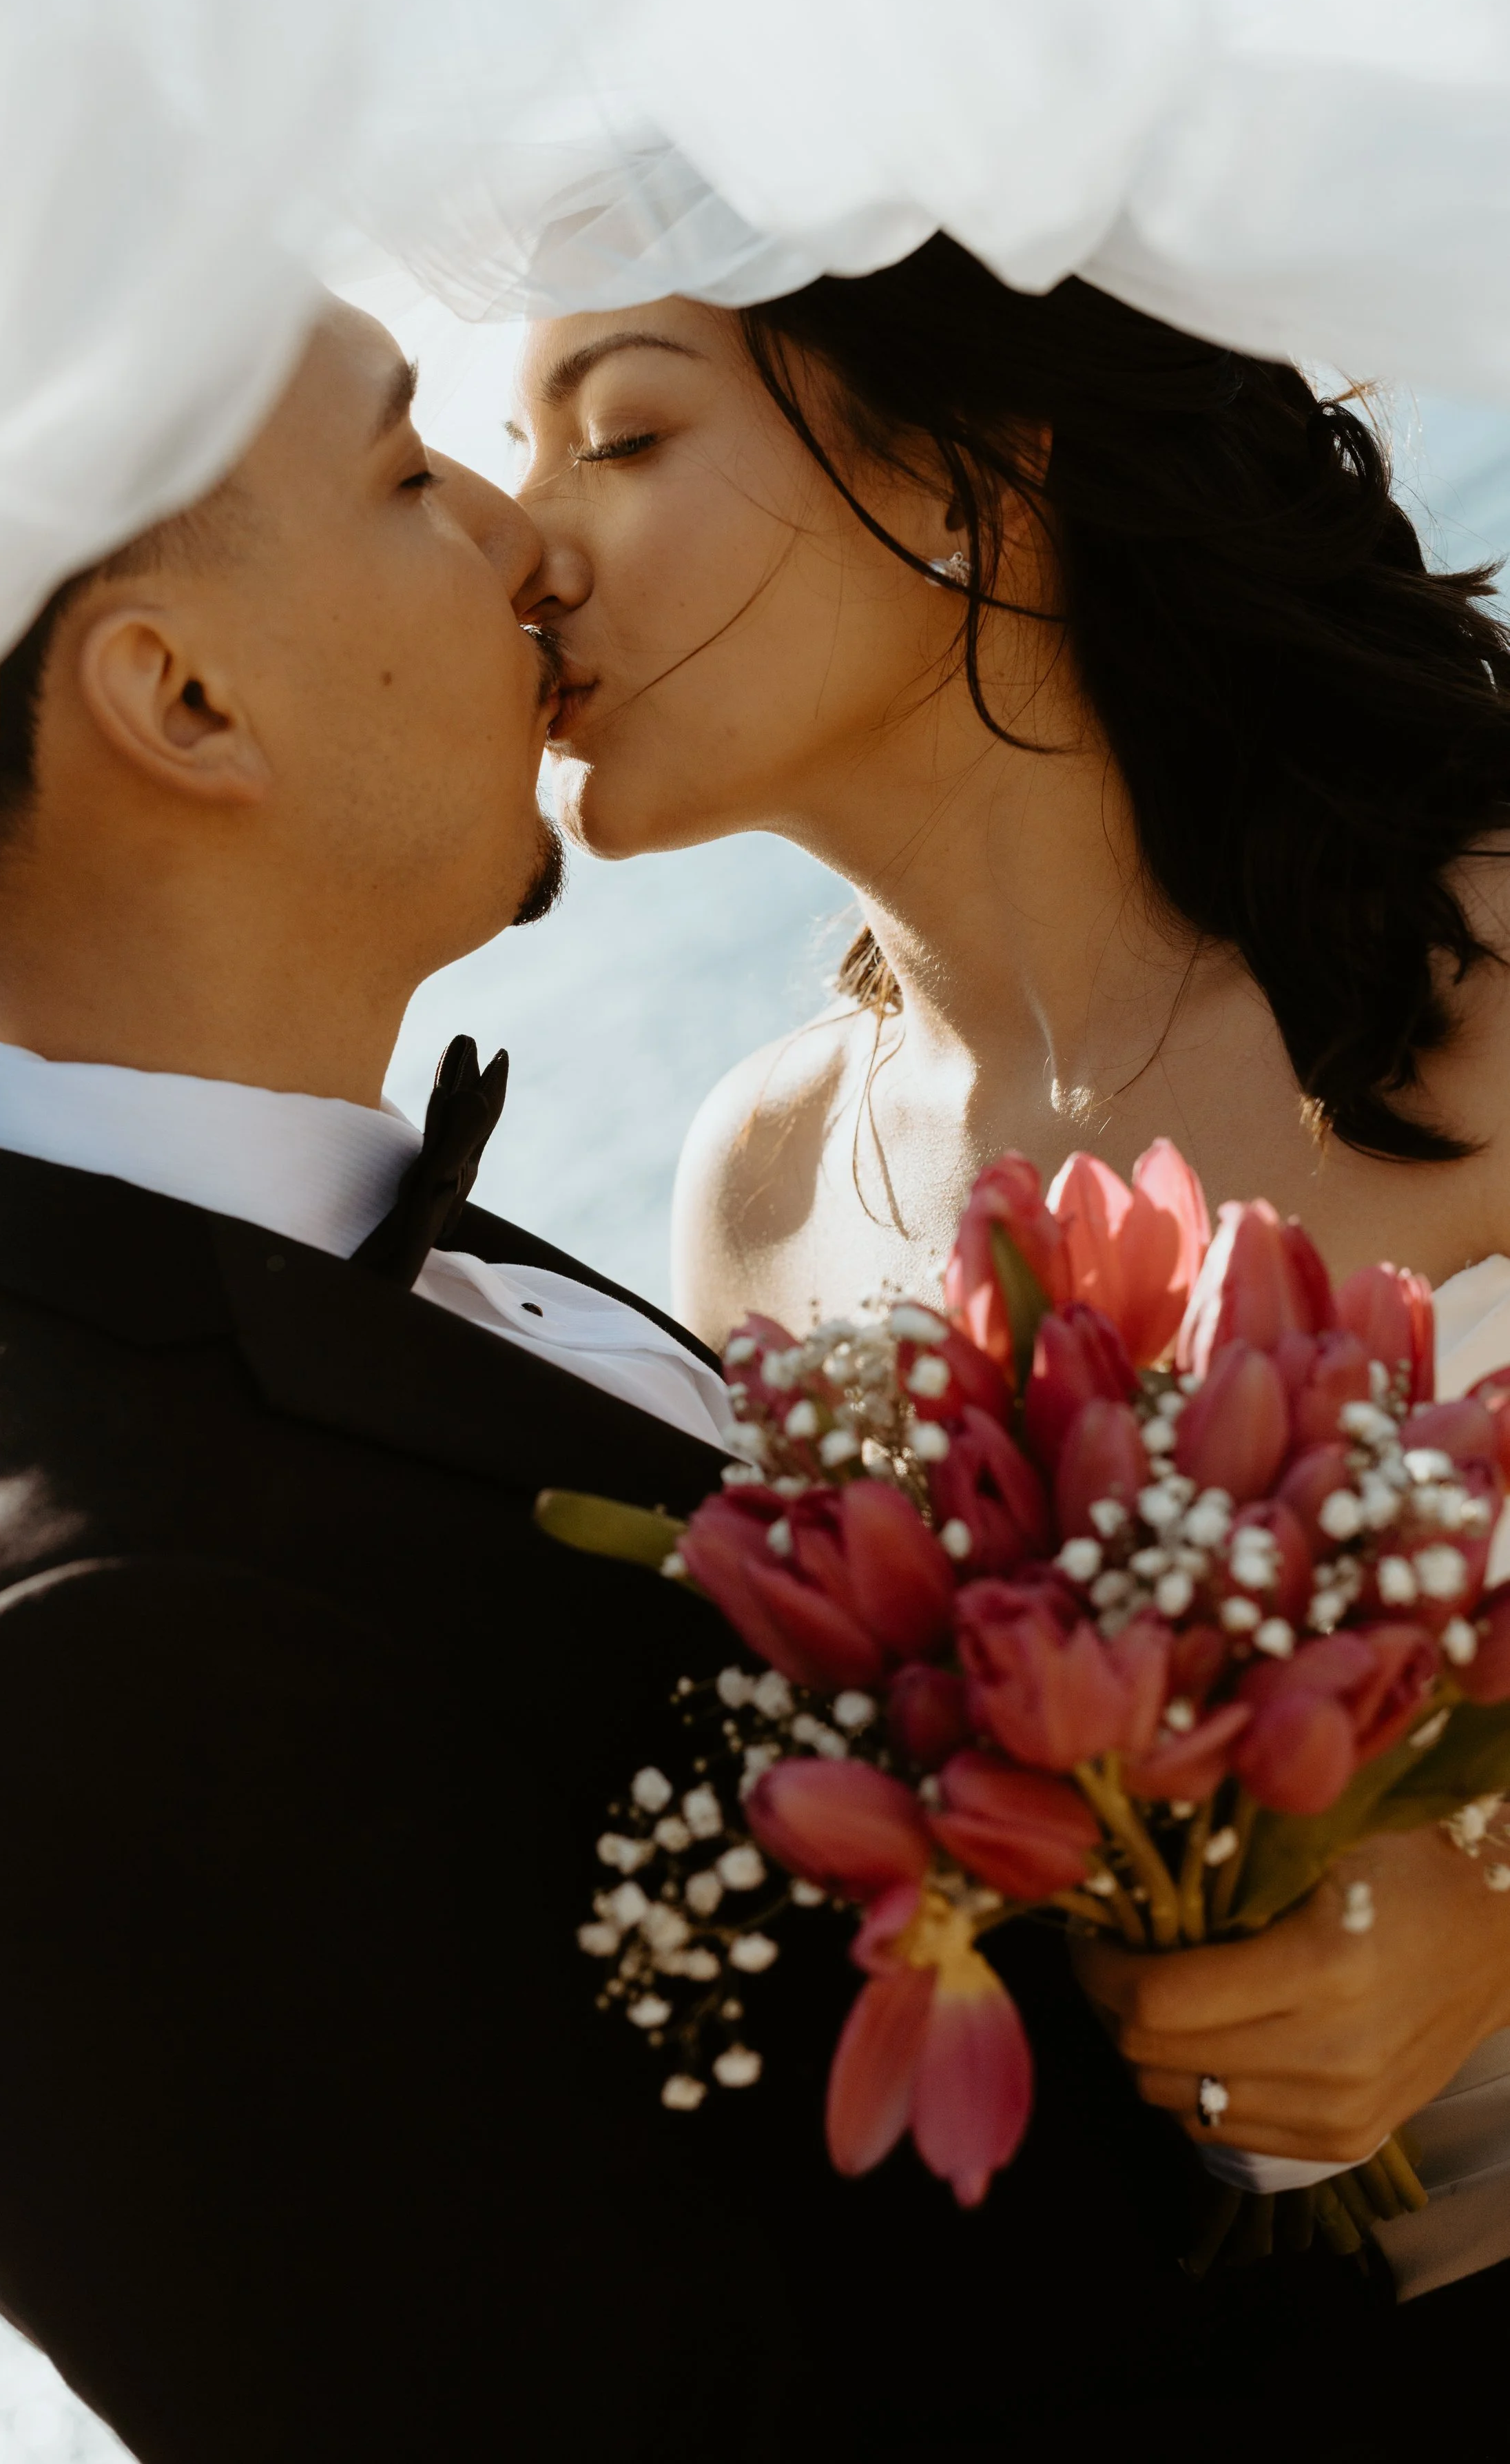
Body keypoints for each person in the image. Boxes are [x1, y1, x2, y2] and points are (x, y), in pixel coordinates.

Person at [0, 300, 818, 2463]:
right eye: (404, 473)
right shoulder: (59, 1672)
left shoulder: (250, 1251)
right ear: (180, 696)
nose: (527, 542)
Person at [510, 236, 1510, 2412]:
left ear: (980, 456)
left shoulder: (1493, 948)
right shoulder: (753, 1194)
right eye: (508, 457)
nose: (524, 539)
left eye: (622, 431)